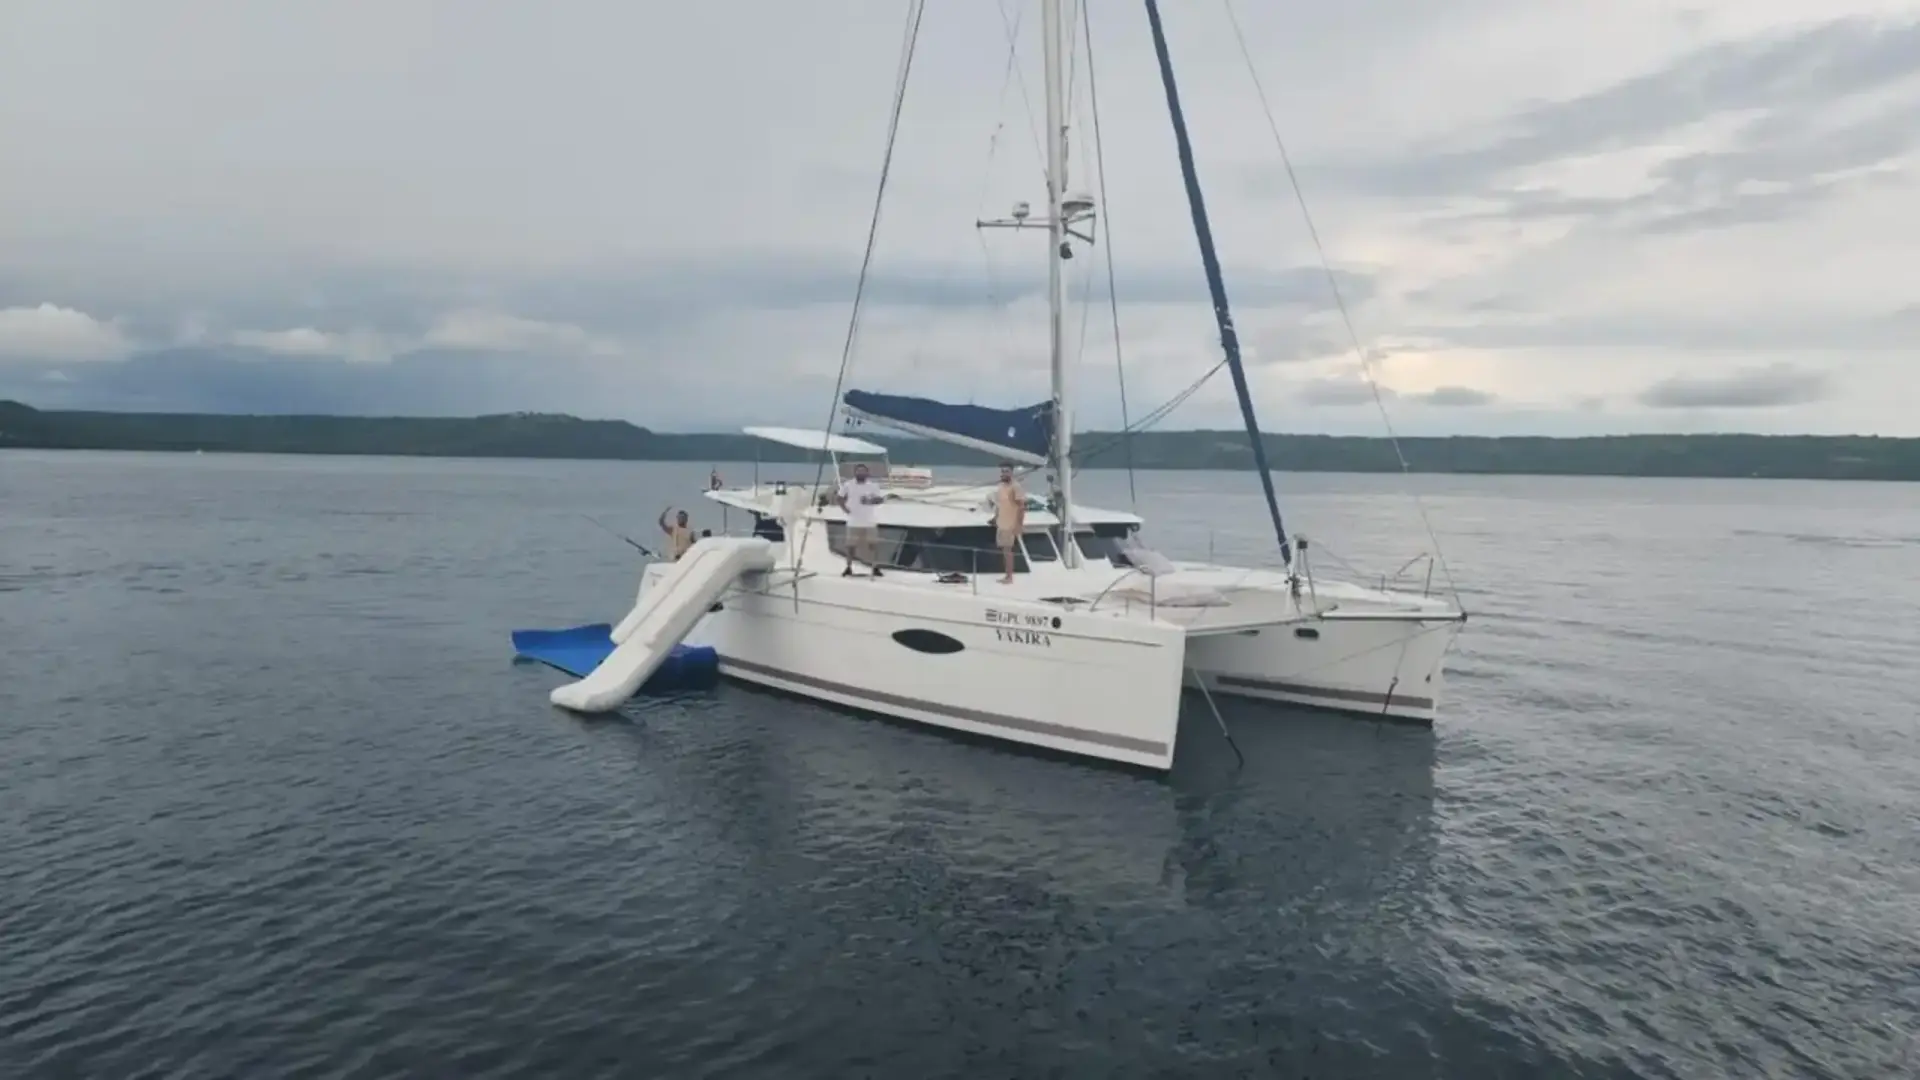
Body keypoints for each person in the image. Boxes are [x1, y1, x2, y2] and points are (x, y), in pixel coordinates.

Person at [835, 462, 885, 578]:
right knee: (850, 546)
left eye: (863, 471)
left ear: (867, 473)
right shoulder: (848, 485)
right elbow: (839, 498)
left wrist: (870, 501)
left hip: (869, 521)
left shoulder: (873, 486)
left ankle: (875, 566)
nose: (861, 473)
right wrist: (845, 509)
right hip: (853, 521)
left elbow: (879, 500)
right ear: (855, 472)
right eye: (859, 471)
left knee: (873, 545)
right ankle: (848, 567)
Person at [992, 462, 1026, 584]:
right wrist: (995, 517)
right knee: (1003, 550)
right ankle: (1006, 575)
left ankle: (1009, 576)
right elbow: (999, 504)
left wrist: (1019, 525)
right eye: (1002, 471)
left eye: (1006, 471)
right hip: (1001, 523)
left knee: (1008, 550)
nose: (1003, 473)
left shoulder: (1015, 487)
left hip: (1010, 524)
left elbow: (1021, 507)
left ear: (1012, 472)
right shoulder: (1001, 487)